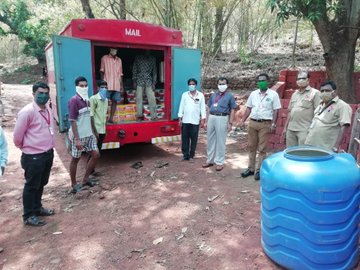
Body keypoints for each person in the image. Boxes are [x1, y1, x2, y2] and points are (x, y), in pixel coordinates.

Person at [13, 82, 55, 226]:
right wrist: (27, 148)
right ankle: (29, 215)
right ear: (33, 94)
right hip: (33, 156)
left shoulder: (48, 109)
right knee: (31, 185)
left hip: (47, 153)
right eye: (40, 93)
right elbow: (17, 137)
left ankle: (37, 208)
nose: (43, 96)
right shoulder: (27, 112)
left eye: (46, 93)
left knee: (41, 183)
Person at [239, 73, 281, 181]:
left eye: (263, 80)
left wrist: (273, 123)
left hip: (265, 124)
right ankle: (250, 169)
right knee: (251, 146)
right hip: (253, 123)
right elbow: (248, 108)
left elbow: (276, 109)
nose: (261, 82)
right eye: (259, 81)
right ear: (257, 82)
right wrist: (243, 120)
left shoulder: (273, 94)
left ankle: (259, 171)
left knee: (262, 149)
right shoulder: (253, 94)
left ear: (267, 81)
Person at [68, 76, 100, 193]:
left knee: (96, 155)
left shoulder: (87, 100)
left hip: (88, 134)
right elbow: (72, 121)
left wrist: (94, 132)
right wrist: (77, 139)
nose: (84, 88)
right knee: (75, 159)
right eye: (81, 86)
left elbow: (90, 118)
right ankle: (73, 184)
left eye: (86, 86)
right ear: (76, 87)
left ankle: (86, 179)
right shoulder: (74, 101)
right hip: (79, 136)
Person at [305, 80, 352, 152]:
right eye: (322, 91)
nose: (324, 93)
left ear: (334, 92)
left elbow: (344, 126)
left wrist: (336, 146)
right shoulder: (321, 104)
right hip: (311, 143)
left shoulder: (342, 106)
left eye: (327, 90)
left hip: (325, 147)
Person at [202, 77, 237, 171]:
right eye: (220, 84)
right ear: (217, 85)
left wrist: (230, 123)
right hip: (212, 117)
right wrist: (206, 121)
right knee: (210, 139)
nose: (221, 85)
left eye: (223, 84)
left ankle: (220, 162)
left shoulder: (230, 96)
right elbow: (208, 108)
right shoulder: (213, 95)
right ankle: (210, 160)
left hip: (222, 117)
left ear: (227, 85)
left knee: (221, 140)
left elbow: (233, 110)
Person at [282, 71, 321, 147]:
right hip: (291, 129)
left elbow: (318, 113)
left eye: (303, 78)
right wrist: (285, 128)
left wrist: (313, 130)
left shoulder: (315, 93)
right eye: (298, 79)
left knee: (303, 154)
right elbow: (290, 111)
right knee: (290, 153)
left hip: (305, 130)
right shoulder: (294, 94)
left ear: (308, 80)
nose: (300, 80)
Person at [178, 78, 206, 161]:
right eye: (190, 84)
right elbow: (181, 107)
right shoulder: (184, 95)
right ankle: (185, 155)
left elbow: (203, 108)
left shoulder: (200, 95)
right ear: (188, 85)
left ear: (196, 85)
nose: (191, 86)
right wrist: (180, 118)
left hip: (195, 121)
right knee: (185, 138)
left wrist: (203, 119)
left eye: (193, 84)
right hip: (185, 120)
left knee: (194, 139)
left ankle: (191, 156)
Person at [89, 80, 108, 175]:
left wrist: (105, 129)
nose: (104, 89)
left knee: (98, 151)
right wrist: (94, 131)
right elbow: (91, 116)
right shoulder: (93, 99)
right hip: (96, 130)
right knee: (94, 152)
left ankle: (92, 170)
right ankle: (89, 172)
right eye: (102, 87)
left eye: (105, 87)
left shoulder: (106, 100)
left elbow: (104, 116)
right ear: (98, 88)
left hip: (102, 130)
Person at [132, 50, 158, 121]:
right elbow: (135, 69)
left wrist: (154, 83)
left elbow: (154, 71)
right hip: (139, 80)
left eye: (149, 50)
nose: (147, 51)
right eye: (146, 50)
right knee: (139, 98)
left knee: (152, 98)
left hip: (148, 80)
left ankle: (154, 116)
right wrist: (134, 81)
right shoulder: (138, 57)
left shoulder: (152, 58)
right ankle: (139, 116)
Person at [100, 47, 123, 124]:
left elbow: (120, 74)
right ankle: (103, 118)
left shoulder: (119, 60)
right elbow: (101, 71)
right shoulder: (104, 58)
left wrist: (121, 85)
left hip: (116, 84)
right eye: (113, 49)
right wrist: (102, 83)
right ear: (110, 49)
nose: (115, 50)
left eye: (116, 49)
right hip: (107, 84)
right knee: (104, 102)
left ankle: (111, 118)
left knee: (114, 101)